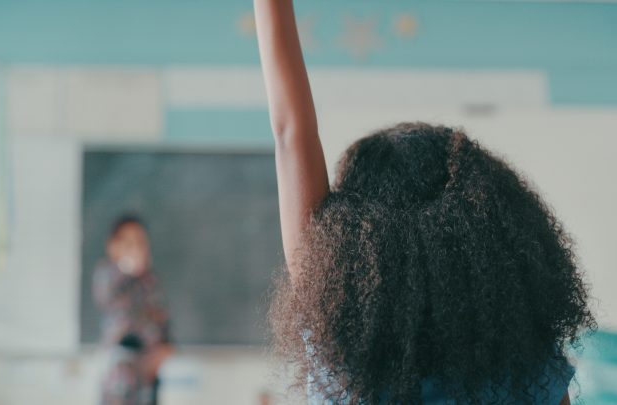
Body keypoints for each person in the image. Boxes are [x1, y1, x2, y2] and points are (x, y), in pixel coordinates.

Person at [254, 1, 595, 403]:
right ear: (493, 232)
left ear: (348, 242)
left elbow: (291, 133)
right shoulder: (531, 367)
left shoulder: (341, 352)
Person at [93, 215, 173, 405]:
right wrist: (127, 267)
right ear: (113, 246)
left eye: (140, 242)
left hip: (148, 373)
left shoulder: (150, 280)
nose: (136, 248)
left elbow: (161, 316)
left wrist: (166, 346)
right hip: (120, 374)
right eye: (129, 243)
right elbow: (111, 300)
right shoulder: (107, 274)